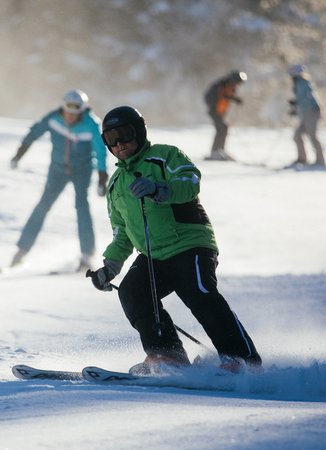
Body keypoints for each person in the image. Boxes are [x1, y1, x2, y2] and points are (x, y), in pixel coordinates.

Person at [88, 105, 261, 375]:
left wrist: (160, 188)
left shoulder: (164, 156)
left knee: (199, 293)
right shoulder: (116, 184)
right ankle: (167, 355)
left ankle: (242, 360)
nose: (119, 144)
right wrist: (110, 266)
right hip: (154, 255)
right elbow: (122, 232)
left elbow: (190, 182)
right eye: (111, 139)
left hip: (189, 244)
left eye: (124, 134)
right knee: (133, 292)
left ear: (140, 132)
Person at [9, 89, 108, 271]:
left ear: (82, 110)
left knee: (81, 206)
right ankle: (21, 252)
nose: (70, 115)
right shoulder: (53, 118)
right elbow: (34, 132)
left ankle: (87, 256)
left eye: (75, 111)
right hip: (57, 170)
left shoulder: (91, 124)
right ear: (63, 107)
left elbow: (100, 151)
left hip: (82, 170)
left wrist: (102, 176)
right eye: (67, 110)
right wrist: (19, 154)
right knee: (43, 205)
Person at [203, 70, 246, 161]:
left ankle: (219, 151)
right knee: (222, 128)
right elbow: (209, 96)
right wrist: (213, 106)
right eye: (238, 82)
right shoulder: (220, 85)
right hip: (214, 111)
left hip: (220, 112)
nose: (238, 85)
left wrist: (236, 99)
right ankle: (215, 152)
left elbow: (227, 96)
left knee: (222, 128)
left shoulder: (230, 87)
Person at [288, 64, 325, 166]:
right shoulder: (298, 84)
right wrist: (295, 106)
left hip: (312, 112)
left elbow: (307, 98)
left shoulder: (304, 83)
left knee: (312, 136)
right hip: (305, 114)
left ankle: (320, 161)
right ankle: (302, 159)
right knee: (297, 135)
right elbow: (301, 99)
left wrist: (297, 104)